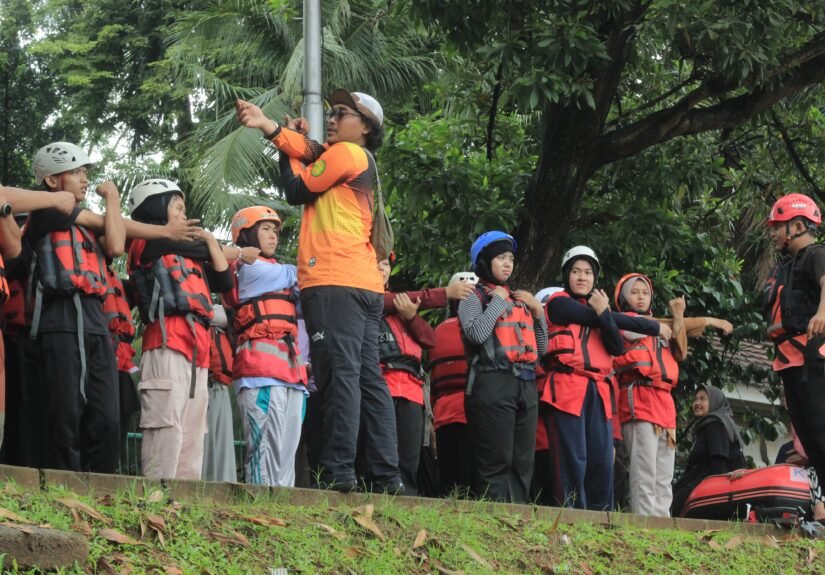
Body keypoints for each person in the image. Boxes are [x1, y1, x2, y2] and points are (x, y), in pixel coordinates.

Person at [236, 90, 401, 492]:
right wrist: (271, 129)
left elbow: (296, 188)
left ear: (365, 127)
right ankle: (385, 474)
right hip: (361, 281)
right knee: (367, 378)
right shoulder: (349, 157)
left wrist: (279, 143)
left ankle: (339, 471)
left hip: (333, 280)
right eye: (332, 110)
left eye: (342, 113)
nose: (332, 117)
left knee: (339, 376)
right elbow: (308, 149)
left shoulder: (346, 154)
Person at [542, 246, 668, 510]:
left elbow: (616, 346)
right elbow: (595, 317)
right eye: (575, 271)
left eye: (588, 272)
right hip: (567, 387)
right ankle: (572, 512)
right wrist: (652, 326)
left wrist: (605, 314)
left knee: (601, 459)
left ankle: (601, 515)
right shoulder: (558, 303)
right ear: (566, 275)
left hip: (597, 391)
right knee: (572, 456)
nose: (581, 277)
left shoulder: (600, 311)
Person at [128, 178, 232, 479]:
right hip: (167, 337)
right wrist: (211, 246)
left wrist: (212, 243)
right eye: (177, 208)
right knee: (166, 421)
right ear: (156, 208)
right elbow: (169, 243)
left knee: (193, 426)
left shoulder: (193, 252)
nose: (184, 215)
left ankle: (183, 503)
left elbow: (224, 282)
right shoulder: (144, 241)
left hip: (199, 343)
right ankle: (157, 495)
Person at [612, 272, 734, 516]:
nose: (640, 297)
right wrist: (704, 320)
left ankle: (662, 523)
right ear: (624, 298)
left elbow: (680, 349)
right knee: (644, 470)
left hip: (664, 403)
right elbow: (658, 327)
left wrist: (682, 318)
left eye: (645, 293)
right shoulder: (623, 322)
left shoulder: (663, 327)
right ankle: (645, 524)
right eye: (634, 293)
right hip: (640, 398)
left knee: (664, 473)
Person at [458, 231, 547, 503]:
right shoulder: (473, 298)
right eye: (500, 258)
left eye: (510, 258)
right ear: (485, 261)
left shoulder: (520, 299)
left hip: (526, 383)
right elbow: (475, 334)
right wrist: (497, 301)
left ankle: (517, 520)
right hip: (492, 382)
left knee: (522, 460)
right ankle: (491, 519)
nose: (508, 264)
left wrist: (539, 313)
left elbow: (541, 350)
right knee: (496, 459)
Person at [224, 206, 307, 487]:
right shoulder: (247, 268)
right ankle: (260, 509)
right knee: (264, 449)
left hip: (292, 373)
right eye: (265, 229)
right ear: (247, 234)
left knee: (286, 452)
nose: (273, 236)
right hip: (259, 369)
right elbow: (304, 275)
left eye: (275, 230)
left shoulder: (279, 274)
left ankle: (283, 514)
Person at [764, 192, 825, 516]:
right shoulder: (786, 267)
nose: (773, 233)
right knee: (810, 442)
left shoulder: (816, 254)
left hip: (812, 358)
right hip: (789, 360)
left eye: (778, 226)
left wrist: (823, 313)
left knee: (821, 432)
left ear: (798, 225)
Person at [376, 253, 436, 496]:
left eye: (386, 264)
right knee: (382, 449)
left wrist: (411, 316)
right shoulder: (364, 301)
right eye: (376, 263)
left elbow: (430, 340)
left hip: (411, 389)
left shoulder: (404, 306)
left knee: (410, 453)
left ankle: (408, 499)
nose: (382, 268)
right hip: (381, 385)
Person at [431, 271, 478, 498]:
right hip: (469, 409)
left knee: (450, 477)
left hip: (445, 411)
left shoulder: (438, 330)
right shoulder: (482, 328)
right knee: (468, 475)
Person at [671, 385, 746, 516]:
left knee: (673, 504)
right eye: (696, 399)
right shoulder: (707, 425)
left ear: (714, 402)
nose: (697, 403)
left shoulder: (715, 424)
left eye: (703, 399)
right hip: (704, 476)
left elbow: (718, 465)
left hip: (715, 480)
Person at [201, 303, 238, 483]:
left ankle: (223, 489)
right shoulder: (198, 319)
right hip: (201, 388)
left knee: (223, 447)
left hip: (221, 389)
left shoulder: (226, 325)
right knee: (202, 445)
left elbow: (226, 316)